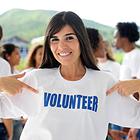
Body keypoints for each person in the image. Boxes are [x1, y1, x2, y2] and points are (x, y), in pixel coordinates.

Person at [1, 11, 140, 140]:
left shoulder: (103, 83)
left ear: (82, 40)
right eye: (54, 39)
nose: (61, 46)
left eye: (69, 38)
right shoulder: (37, 79)